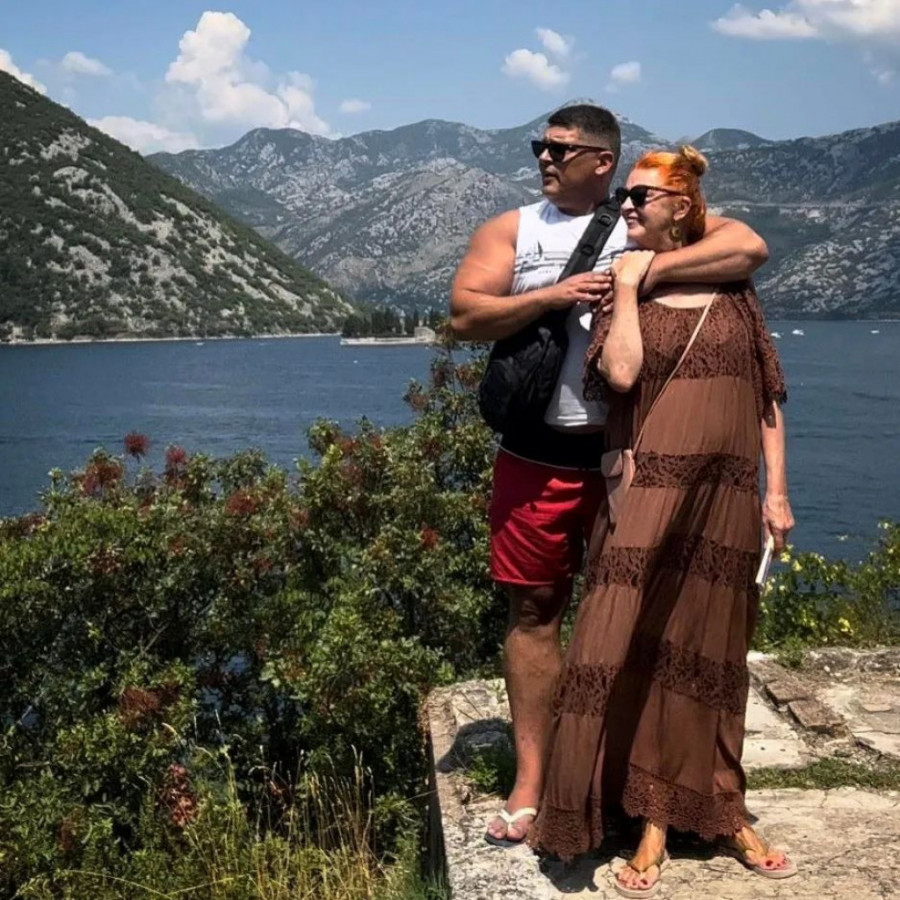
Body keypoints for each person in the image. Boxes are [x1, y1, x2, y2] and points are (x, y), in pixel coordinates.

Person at [449, 104, 770, 848]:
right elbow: (464, 316)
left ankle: (615, 777)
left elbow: (749, 247)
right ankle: (535, 779)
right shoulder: (513, 230)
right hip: (538, 455)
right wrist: (554, 296)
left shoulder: (649, 223)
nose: (543, 157)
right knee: (535, 610)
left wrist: (639, 271)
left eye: (558, 148)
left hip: (637, 457)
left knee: (641, 615)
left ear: (603, 161)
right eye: (540, 145)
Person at [529, 145, 796, 897]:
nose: (626, 206)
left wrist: (777, 492)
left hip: (726, 491)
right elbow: (619, 374)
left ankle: (720, 806)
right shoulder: (624, 284)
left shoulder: (734, 282)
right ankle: (647, 819)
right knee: (630, 643)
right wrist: (627, 282)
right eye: (624, 196)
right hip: (649, 487)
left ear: (682, 206)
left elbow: (767, 396)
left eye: (641, 196)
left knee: (713, 649)